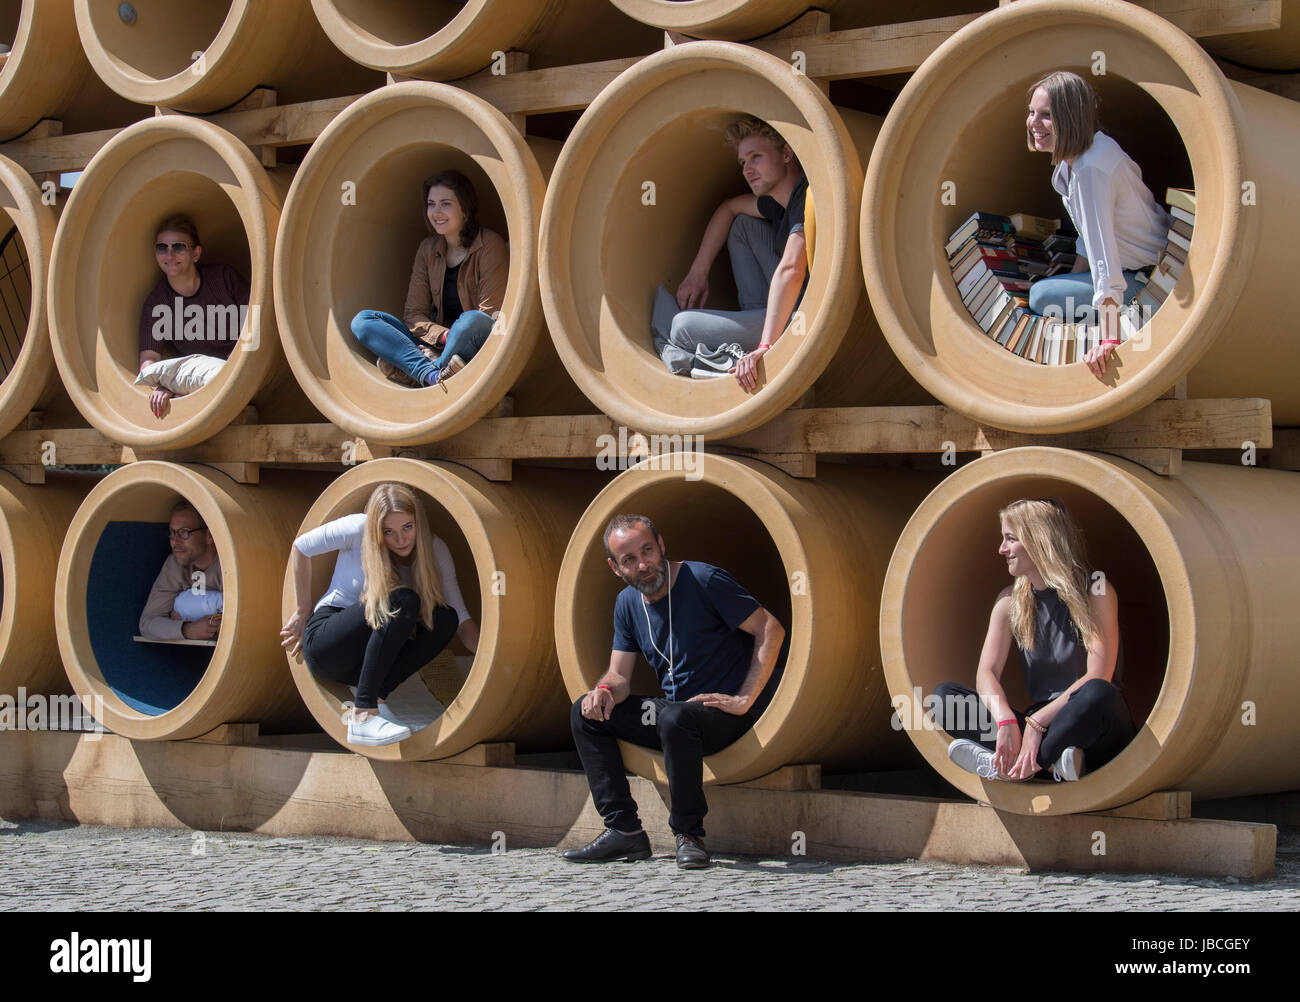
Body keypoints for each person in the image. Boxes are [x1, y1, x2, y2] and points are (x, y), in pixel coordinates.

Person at [564, 514, 787, 869]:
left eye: (648, 551)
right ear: (615, 567)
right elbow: (620, 675)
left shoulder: (703, 579)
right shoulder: (626, 603)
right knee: (586, 713)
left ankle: (688, 835)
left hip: (725, 716)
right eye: (629, 560)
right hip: (676, 716)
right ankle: (624, 831)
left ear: (661, 545)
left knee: (675, 716)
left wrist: (745, 699)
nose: (643, 564)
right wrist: (604, 689)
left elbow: (770, 629)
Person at [934, 498, 1134, 784]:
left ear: (1039, 540)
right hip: (1038, 727)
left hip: (1089, 723)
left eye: (1010, 539)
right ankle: (1054, 765)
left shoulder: (1096, 590)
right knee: (945, 699)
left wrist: (1037, 724)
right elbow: (986, 673)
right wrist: (1005, 720)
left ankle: (1014, 768)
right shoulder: (1009, 601)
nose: (1001, 549)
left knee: (1097, 693)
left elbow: (1098, 674)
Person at [280, 483, 479, 747]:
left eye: (407, 527)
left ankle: (375, 698)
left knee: (445, 617)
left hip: (367, 664)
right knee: (403, 599)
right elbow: (301, 547)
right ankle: (363, 714)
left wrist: (491, 663)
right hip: (330, 644)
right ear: (376, 529)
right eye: (389, 532)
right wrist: (302, 611)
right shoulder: (358, 528)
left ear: (418, 522)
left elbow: (462, 620)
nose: (401, 540)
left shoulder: (433, 548)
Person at [1024, 71, 1172, 378]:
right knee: (1053, 289)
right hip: (1132, 271)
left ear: (1070, 118)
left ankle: (1105, 326)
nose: (1034, 123)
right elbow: (1086, 239)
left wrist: (1108, 338)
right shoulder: (1081, 157)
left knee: (1040, 296)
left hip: (1150, 280)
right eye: (1032, 112)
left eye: (1047, 116)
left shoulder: (1091, 170)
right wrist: (1073, 281)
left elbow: (1103, 257)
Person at [652, 116, 814, 392]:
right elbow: (728, 208)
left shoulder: (806, 196)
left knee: (681, 328)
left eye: (756, 157)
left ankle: (746, 352)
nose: (747, 170)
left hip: (801, 317)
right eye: (743, 162)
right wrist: (698, 273)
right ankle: (751, 332)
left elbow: (792, 270)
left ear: (787, 154)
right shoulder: (777, 204)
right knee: (742, 225)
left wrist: (766, 346)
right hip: (775, 309)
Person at [350, 170, 507, 389]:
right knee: (364, 321)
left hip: (472, 341)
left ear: (465, 208)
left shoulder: (489, 244)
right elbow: (413, 315)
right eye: (431, 204)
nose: (436, 212)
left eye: (445, 204)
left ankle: (420, 373)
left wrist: (452, 337)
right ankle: (433, 375)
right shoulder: (427, 249)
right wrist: (443, 337)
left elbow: (489, 316)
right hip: (436, 342)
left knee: (471, 321)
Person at [137, 215, 250, 419]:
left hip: (241, 365)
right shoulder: (157, 303)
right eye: (162, 248)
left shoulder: (223, 279)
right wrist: (166, 385)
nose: (169, 255)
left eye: (178, 247)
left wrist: (236, 367)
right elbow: (149, 361)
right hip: (199, 373)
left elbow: (254, 326)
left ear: (196, 253)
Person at [139, 499, 224, 642]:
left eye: (184, 532)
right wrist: (186, 629)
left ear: (209, 536)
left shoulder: (228, 564)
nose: (175, 541)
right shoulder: (174, 564)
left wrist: (181, 613)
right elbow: (147, 624)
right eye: (172, 533)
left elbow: (239, 621)